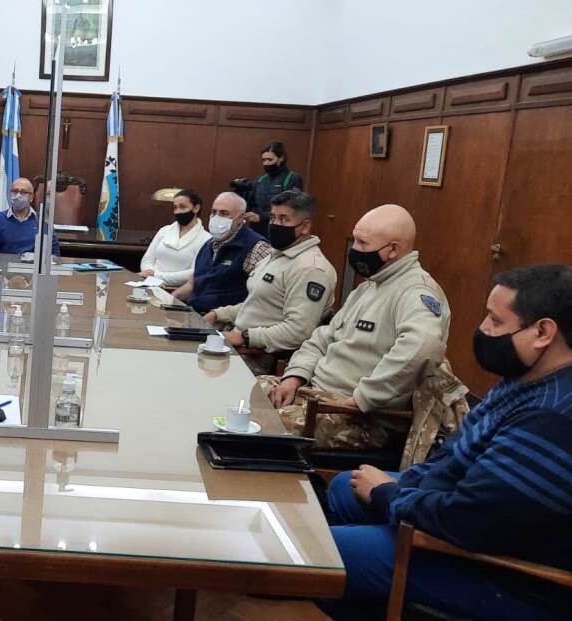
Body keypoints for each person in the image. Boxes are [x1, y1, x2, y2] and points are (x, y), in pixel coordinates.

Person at [319, 264, 572, 621]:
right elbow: (454, 456)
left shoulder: (554, 417)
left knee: (323, 554)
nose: (483, 329)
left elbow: (470, 520)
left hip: (510, 577)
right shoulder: (527, 377)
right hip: (461, 521)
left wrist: (389, 495)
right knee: (346, 486)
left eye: (496, 321)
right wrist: (407, 486)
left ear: (543, 332)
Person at [262, 204, 451, 449]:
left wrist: (364, 397)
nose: (355, 250)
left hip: (358, 417)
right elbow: (322, 338)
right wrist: (294, 376)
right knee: (239, 396)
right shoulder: (368, 287)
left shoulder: (416, 292)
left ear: (393, 249)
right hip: (315, 395)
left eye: (362, 244)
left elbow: (422, 348)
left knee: (256, 427)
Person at [205, 190, 336, 354]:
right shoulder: (276, 254)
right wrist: (218, 315)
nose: (275, 224)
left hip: (258, 353)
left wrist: (245, 337)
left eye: (284, 219)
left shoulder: (311, 268)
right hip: (237, 338)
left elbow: (298, 331)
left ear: (305, 226)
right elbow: (258, 304)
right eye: (273, 217)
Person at [172, 192, 271, 314]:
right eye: (214, 212)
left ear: (241, 218)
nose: (216, 217)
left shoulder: (257, 247)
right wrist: (170, 299)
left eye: (224, 213)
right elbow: (193, 284)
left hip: (224, 322)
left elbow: (260, 298)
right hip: (193, 313)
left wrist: (223, 319)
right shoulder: (208, 244)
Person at [139, 188, 211, 287]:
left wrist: (156, 276)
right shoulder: (164, 230)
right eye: (175, 207)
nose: (178, 211)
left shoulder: (206, 239)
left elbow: (194, 273)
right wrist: (148, 272)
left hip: (177, 290)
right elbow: (147, 259)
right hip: (149, 283)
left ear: (196, 208)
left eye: (182, 207)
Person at [0, 176, 61, 256]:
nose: (18, 195)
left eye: (23, 192)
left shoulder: (42, 220)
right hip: (4, 267)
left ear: (31, 197)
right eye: (15, 191)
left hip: (32, 268)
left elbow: (54, 251)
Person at [242, 141, 304, 235]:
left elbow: (290, 207)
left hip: (278, 230)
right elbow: (250, 203)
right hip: (256, 231)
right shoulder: (260, 180)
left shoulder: (292, 178)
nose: (266, 163)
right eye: (264, 160)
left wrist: (261, 217)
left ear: (281, 158)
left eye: (270, 160)